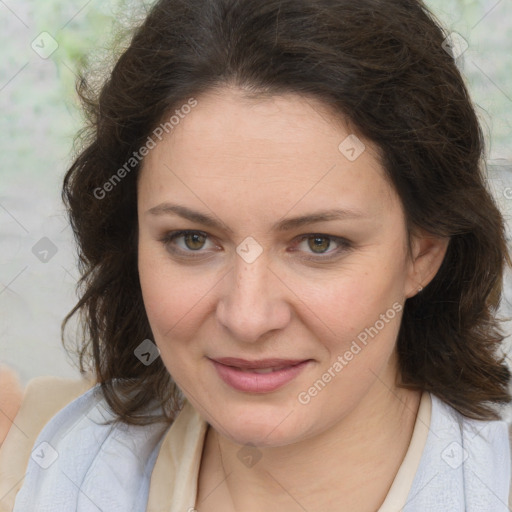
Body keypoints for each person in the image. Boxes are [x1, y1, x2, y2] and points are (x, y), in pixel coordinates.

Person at [1, 0, 511, 510]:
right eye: (192, 240)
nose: (247, 318)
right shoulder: (26, 460)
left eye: (319, 243)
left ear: (421, 253)